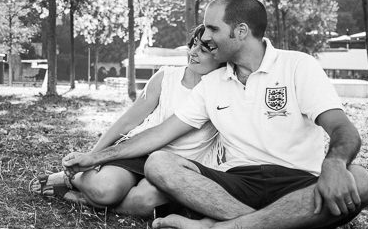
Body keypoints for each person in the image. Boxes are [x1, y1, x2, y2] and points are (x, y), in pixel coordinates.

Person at [64, 0, 368, 229]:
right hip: (236, 184)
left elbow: (342, 129)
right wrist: (97, 157)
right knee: (159, 163)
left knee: (360, 180)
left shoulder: (298, 66)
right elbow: (159, 134)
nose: (206, 36)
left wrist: (335, 163)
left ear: (240, 32)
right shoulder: (213, 83)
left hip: (298, 184)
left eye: (213, 28)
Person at [29, 25, 224, 215]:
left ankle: (83, 199)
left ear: (221, 57)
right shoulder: (166, 77)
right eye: (194, 44)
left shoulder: (222, 90)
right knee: (105, 189)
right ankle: (71, 179)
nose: (194, 52)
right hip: (137, 151)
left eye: (204, 49)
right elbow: (128, 121)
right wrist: (91, 157)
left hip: (174, 165)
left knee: (145, 202)